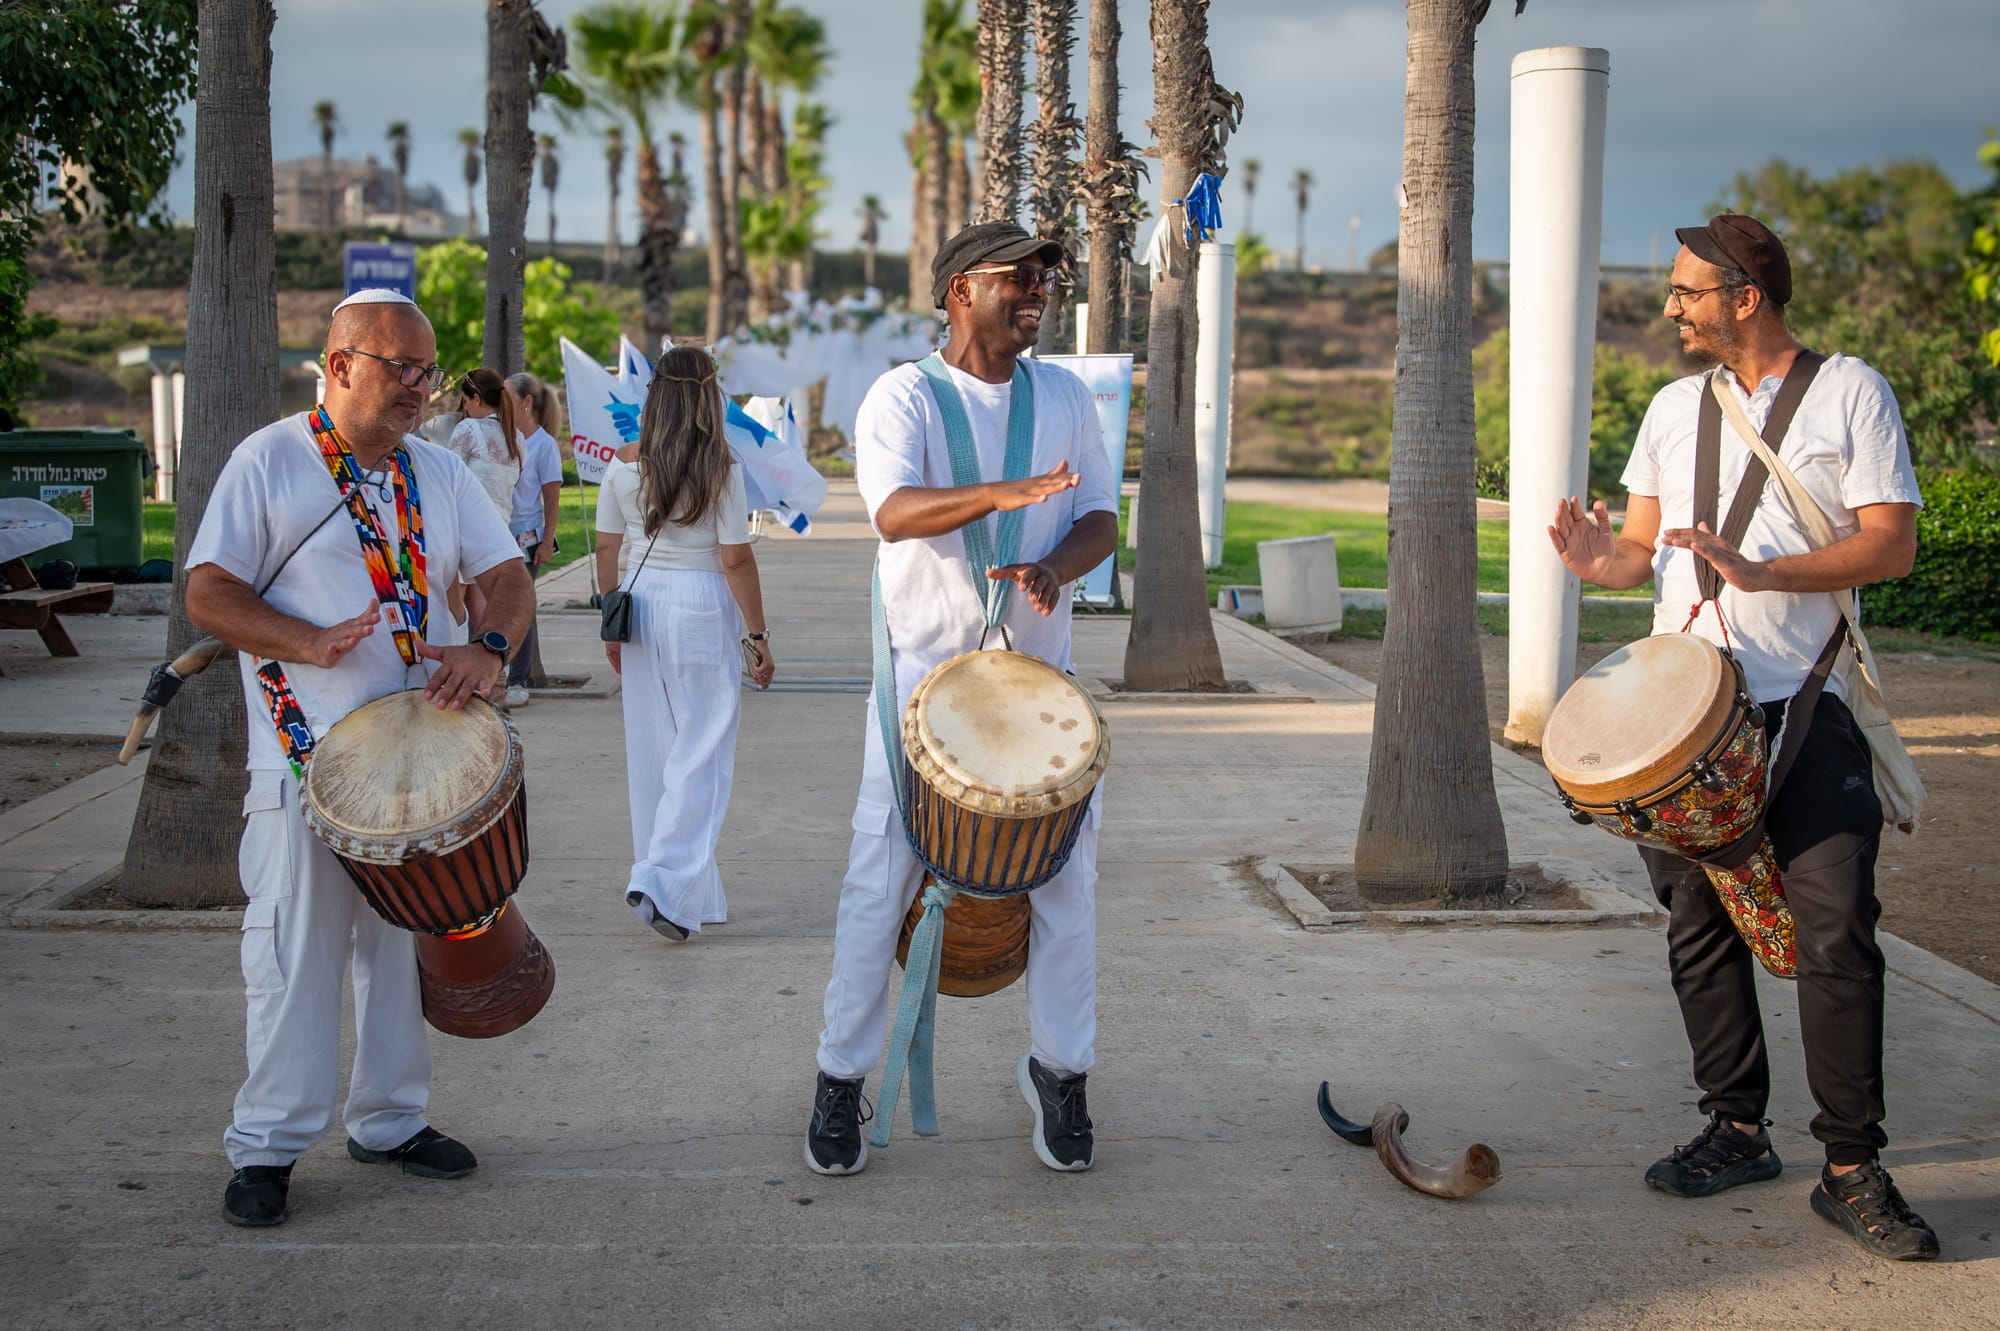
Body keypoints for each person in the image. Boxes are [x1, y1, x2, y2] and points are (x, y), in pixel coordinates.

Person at [1548, 214, 1934, 1261]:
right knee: (1696, 922)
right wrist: (1596, 558)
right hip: (1680, 722)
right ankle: (1734, 1127)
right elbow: (1637, 551)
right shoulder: (1673, 408)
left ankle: (1850, 1166)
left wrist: (1763, 573)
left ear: (1743, 296)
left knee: (1835, 928)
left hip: (1801, 703)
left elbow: (1887, 543)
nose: (1669, 305)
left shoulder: (1850, 390)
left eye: (1685, 290)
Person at [184, 288, 534, 1228]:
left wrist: (489, 648)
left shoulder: (439, 472)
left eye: (428, 370)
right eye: (398, 368)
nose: (419, 386)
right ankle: (266, 1143)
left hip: (422, 766)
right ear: (339, 366)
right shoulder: (270, 460)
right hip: (307, 764)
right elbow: (209, 593)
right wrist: (304, 639)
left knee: (398, 948)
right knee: (295, 955)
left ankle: (389, 1119)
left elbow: (506, 577)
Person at [805, 222, 1118, 1177]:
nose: (1038, 289)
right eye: (1017, 276)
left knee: (1068, 885)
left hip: (1039, 703)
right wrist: (1006, 492)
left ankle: (1061, 1071)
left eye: (1047, 277)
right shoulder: (904, 396)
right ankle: (839, 1077)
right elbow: (895, 511)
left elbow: (1100, 516)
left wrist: (1055, 569)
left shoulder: (1062, 394)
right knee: (880, 884)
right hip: (922, 699)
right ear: (957, 291)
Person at [594, 347, 775, 942]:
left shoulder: (624, 466)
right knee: (704, 747)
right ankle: (664, 879)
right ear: (707, 394)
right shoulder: (720, 465)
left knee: (656, 747)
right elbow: (735, 558)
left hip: (642, 602)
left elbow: (605, 549)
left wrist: (610, 620)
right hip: (701, 601)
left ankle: (695, 894)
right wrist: (757, 636)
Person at [445, 370, 524, 652]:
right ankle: (492, 677)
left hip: (463, 530)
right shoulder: (515, 437)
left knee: (454, 613)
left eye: (465, 401)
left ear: (475, 399)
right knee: (486, 619)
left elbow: (446, 477)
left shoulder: (469, 429)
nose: (465, 407)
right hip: (497, 531)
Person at [502, 372, 567, 707]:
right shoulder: (502, 438)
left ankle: (518, 680)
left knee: (519, 606)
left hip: (527, 538)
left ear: (526, 403)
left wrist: (546, 542)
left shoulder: (544, 446)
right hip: (497, 534)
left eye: (507, 397)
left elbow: (551, 500)